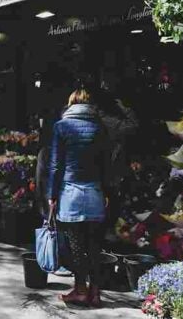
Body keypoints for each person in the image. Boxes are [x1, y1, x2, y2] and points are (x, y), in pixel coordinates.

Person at [48, 88, 111, 308]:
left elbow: (56, 165)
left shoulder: (61, 126)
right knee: (94, 245)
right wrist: (107, 192)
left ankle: (80, 290)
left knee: (76, 245)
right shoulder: (100, 127)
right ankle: (95, 292)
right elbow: (106, 164)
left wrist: (52, 195)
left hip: (70, 191)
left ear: (71, 103)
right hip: (94, 191)